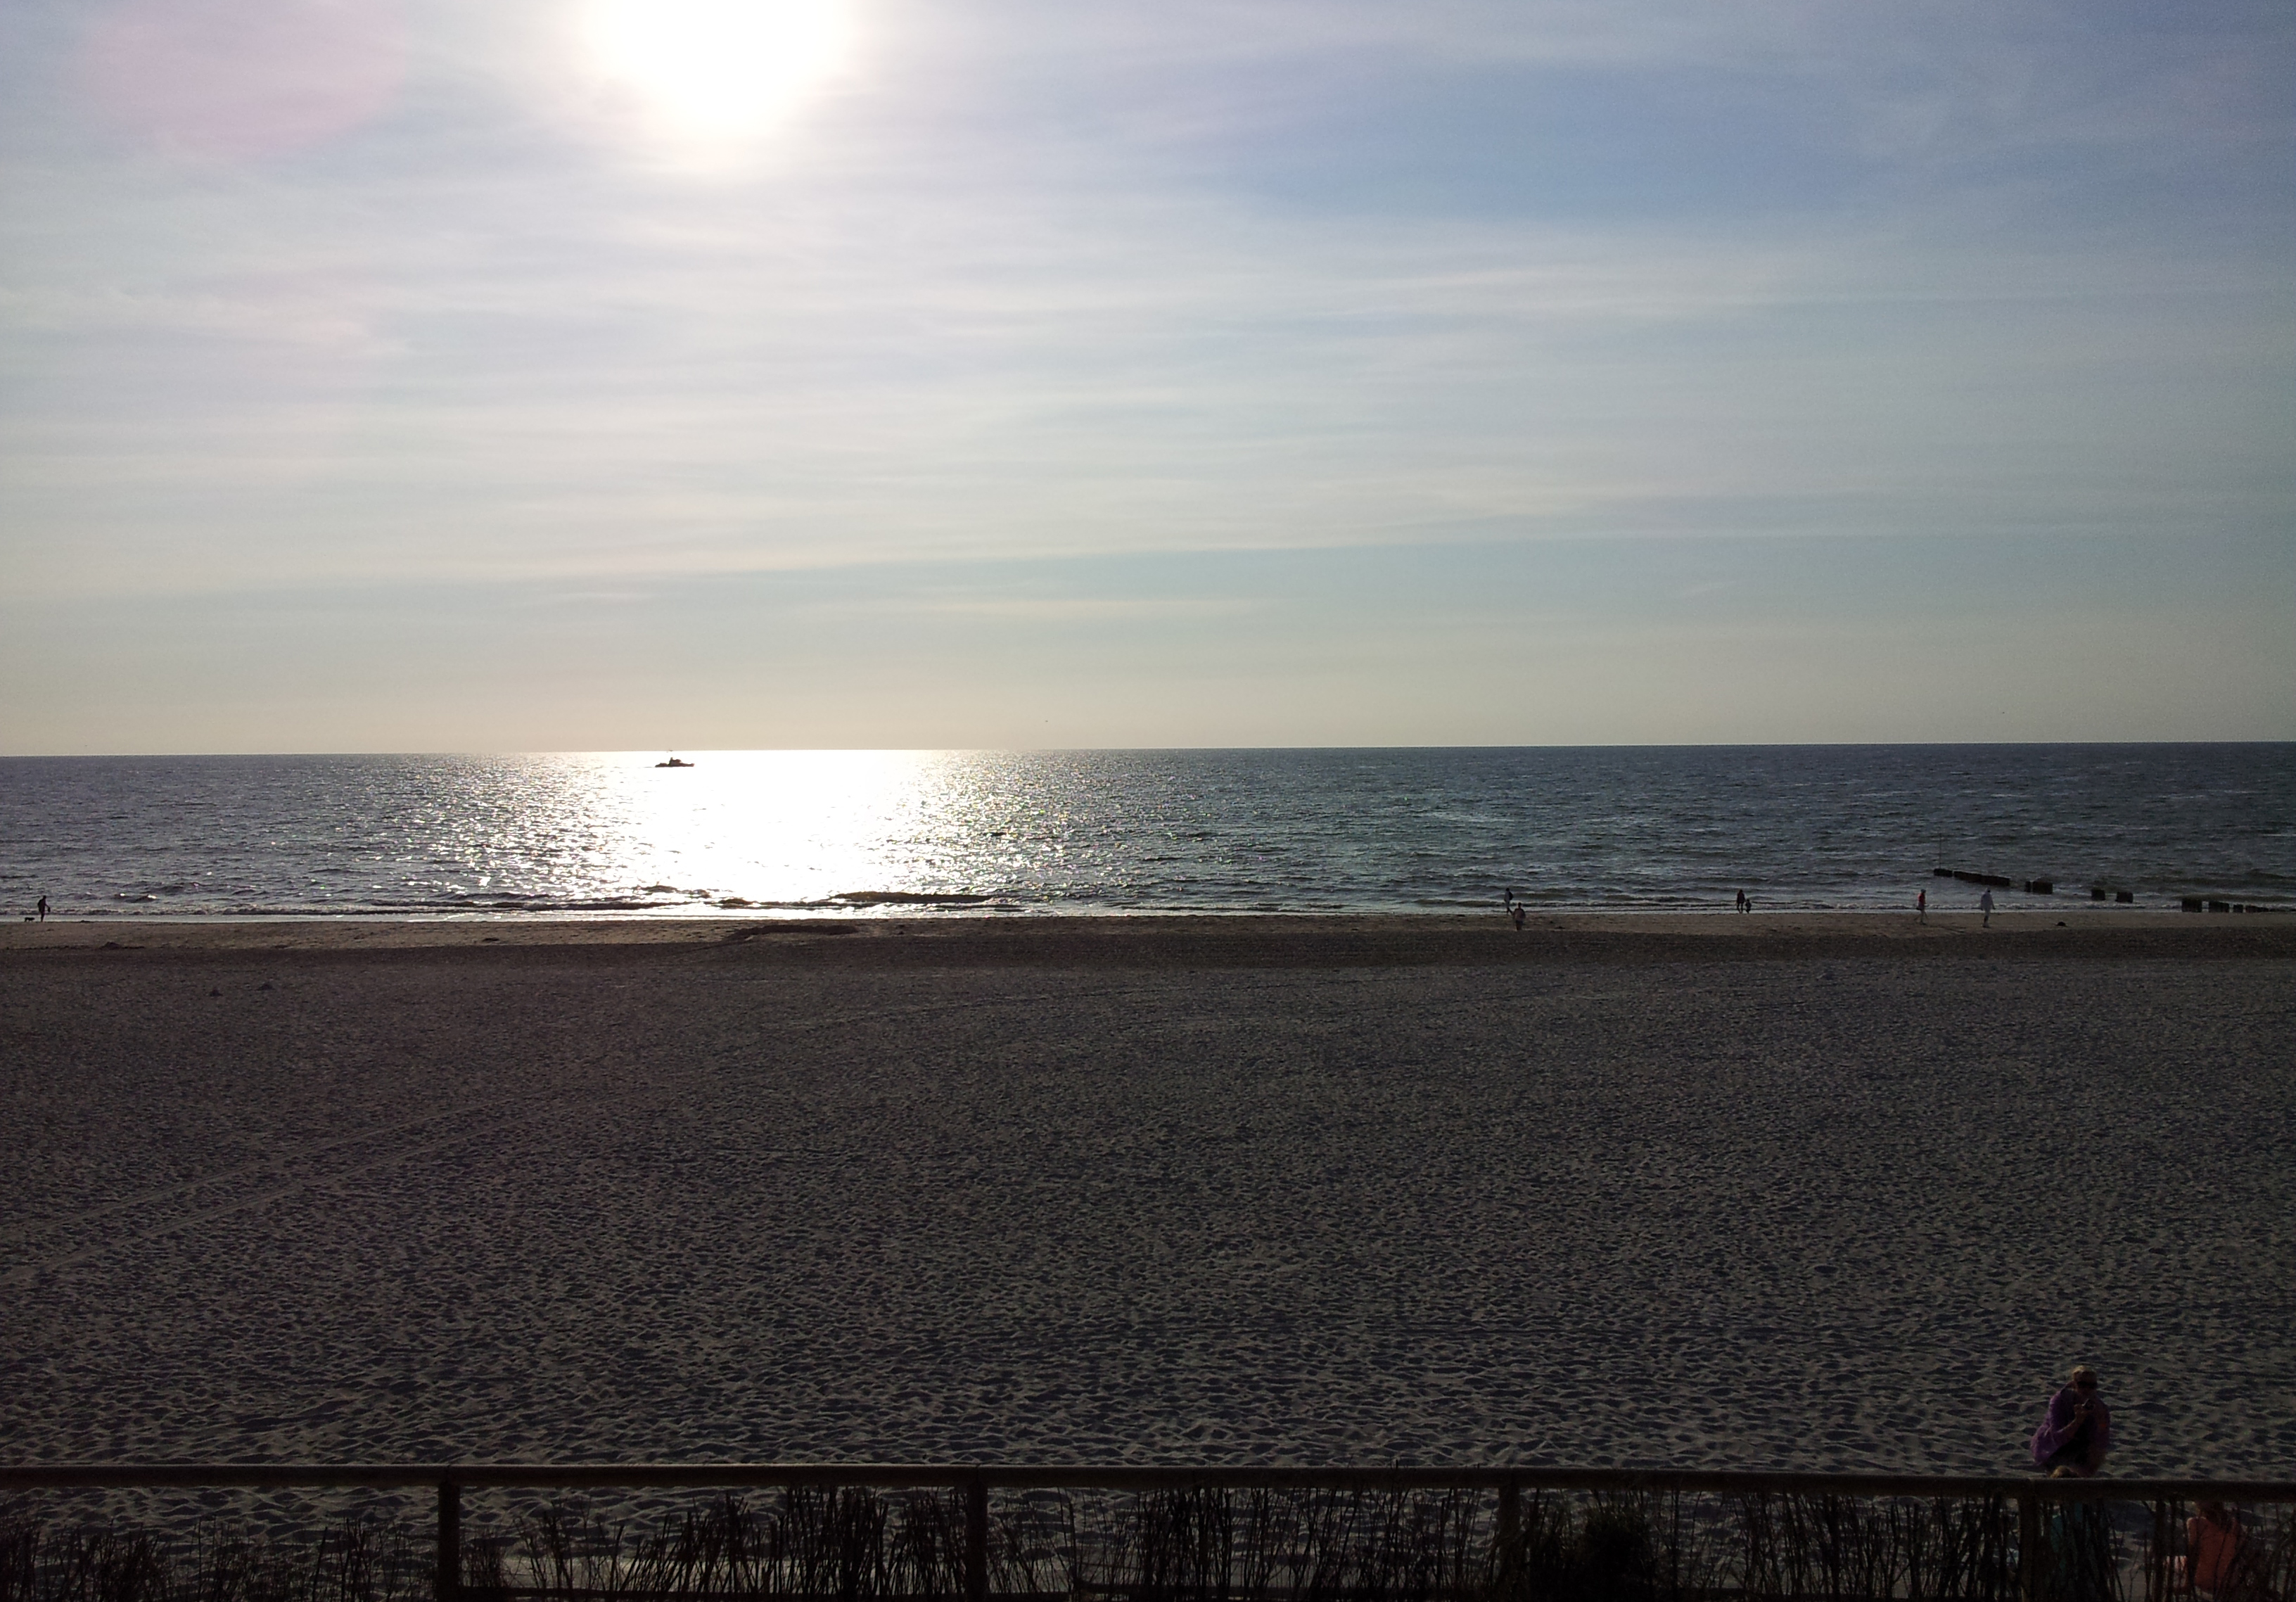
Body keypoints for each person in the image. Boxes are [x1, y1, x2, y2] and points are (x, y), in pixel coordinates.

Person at [2030, 1366, 2111, 1476]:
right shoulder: (2060, 1400)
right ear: (2074, 1384)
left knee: (2096, 1454)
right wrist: (2077, 1421)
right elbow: (2057, 1438)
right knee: (2061, 1474)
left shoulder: (2099, 1406)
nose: (2087, 1389)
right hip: (2053, 1448)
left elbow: (2102, 1442)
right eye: (2082, 1385)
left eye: (2092, 1386)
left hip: (2080, 1448)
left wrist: (2101, 1421)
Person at [2185, 1502, 2243, 1596]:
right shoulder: (2234, 1525)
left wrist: (2187, 1585)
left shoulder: (2196, 1523)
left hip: (2204, 1580)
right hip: (2228, 1581)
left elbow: (2193, 1555)